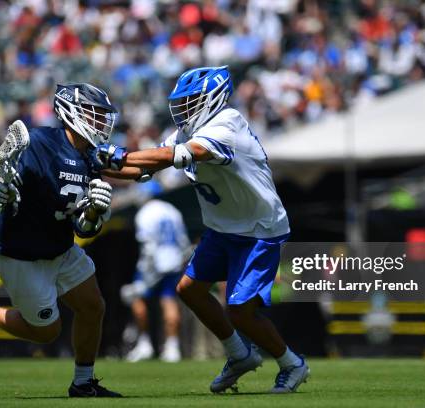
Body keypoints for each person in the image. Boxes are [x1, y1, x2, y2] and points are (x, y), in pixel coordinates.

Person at [97, 66, 310, 393]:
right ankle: (240, 355)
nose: (184, 107)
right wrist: (95, 164)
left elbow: (180, 154)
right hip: (223, 227)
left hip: (258, 229)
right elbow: (145, 167)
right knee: (189, 290)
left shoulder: (227, 124)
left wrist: (120, 155)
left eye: (192, 99)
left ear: (212, 98)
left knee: (239, 311)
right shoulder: (186, 131)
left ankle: (291, 364)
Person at [0, 83, 126, 398]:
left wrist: (95, 211)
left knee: (93, 306)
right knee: (47, 331)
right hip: (23, 255)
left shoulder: (90, 159)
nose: (102, 123)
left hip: (60, 249)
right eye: (95, 114)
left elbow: (84, 229)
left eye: (103, 116)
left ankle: (83, 383)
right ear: (72, 112)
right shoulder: (40, 142)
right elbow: (3, 179)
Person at [121, 181, 190, 363]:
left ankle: (144, 344)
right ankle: (172, 347)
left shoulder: (145, 213)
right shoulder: (172, 210)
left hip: (153, 263)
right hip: (174, 261)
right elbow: (183, 241)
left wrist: (145, 272)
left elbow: (148, 246)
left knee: (135, 297)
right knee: (169, 301)